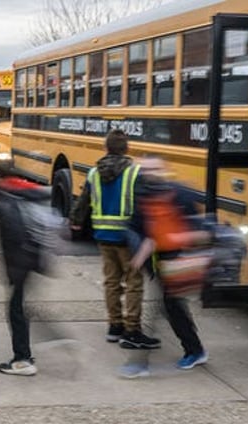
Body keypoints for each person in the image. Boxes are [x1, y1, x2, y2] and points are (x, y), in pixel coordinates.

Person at [69, 129, 160, 349]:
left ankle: (114, 326)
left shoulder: (93, 173)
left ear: (106, 148)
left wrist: (76, 221)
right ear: (126, 148)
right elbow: (144, 205)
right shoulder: (134, 172)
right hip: (128, 238)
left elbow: (83, 202)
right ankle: (132, 330)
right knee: (133, 284)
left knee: (111, 282)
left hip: (103, 236)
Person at [128, 156, 211, 373]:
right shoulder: (144, 196)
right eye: (145, 170)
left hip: (180, 261)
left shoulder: (180, 194)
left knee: (169, 307)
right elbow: (146, 232)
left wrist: (176, 239)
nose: (150, 173)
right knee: (172, 308)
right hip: (163, 263)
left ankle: (191, 351)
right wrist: (140, 256)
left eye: (154, 168)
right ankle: (193, 349)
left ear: (164, 169)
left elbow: (200, 231)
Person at [0, 177, 52, 376]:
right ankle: (24, 353)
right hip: (30, 263)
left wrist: (12, 271)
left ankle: (22, 360)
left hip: (20, 265)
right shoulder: (27, 202)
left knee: (16, 310)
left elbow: (13, 239)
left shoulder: (8, 205)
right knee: (20, 308)